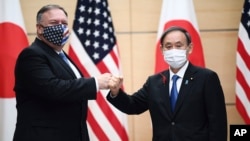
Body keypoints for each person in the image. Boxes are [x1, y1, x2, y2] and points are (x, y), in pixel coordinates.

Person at [107, 26, 228, 141]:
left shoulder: (206, 78)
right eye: (168, 46)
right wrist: (115, 92)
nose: (173, 50)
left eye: (179, 45)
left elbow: (218, 123)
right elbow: (132, 105)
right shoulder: (154, 82)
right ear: (162, 50)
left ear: (189, 48)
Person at [13, 4, 112, 141]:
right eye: (54, 23)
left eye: (64, 23)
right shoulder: (32, 55)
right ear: (40, 29)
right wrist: (95, 83)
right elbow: (53, 88)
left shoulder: (61, 56)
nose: (61, 27)